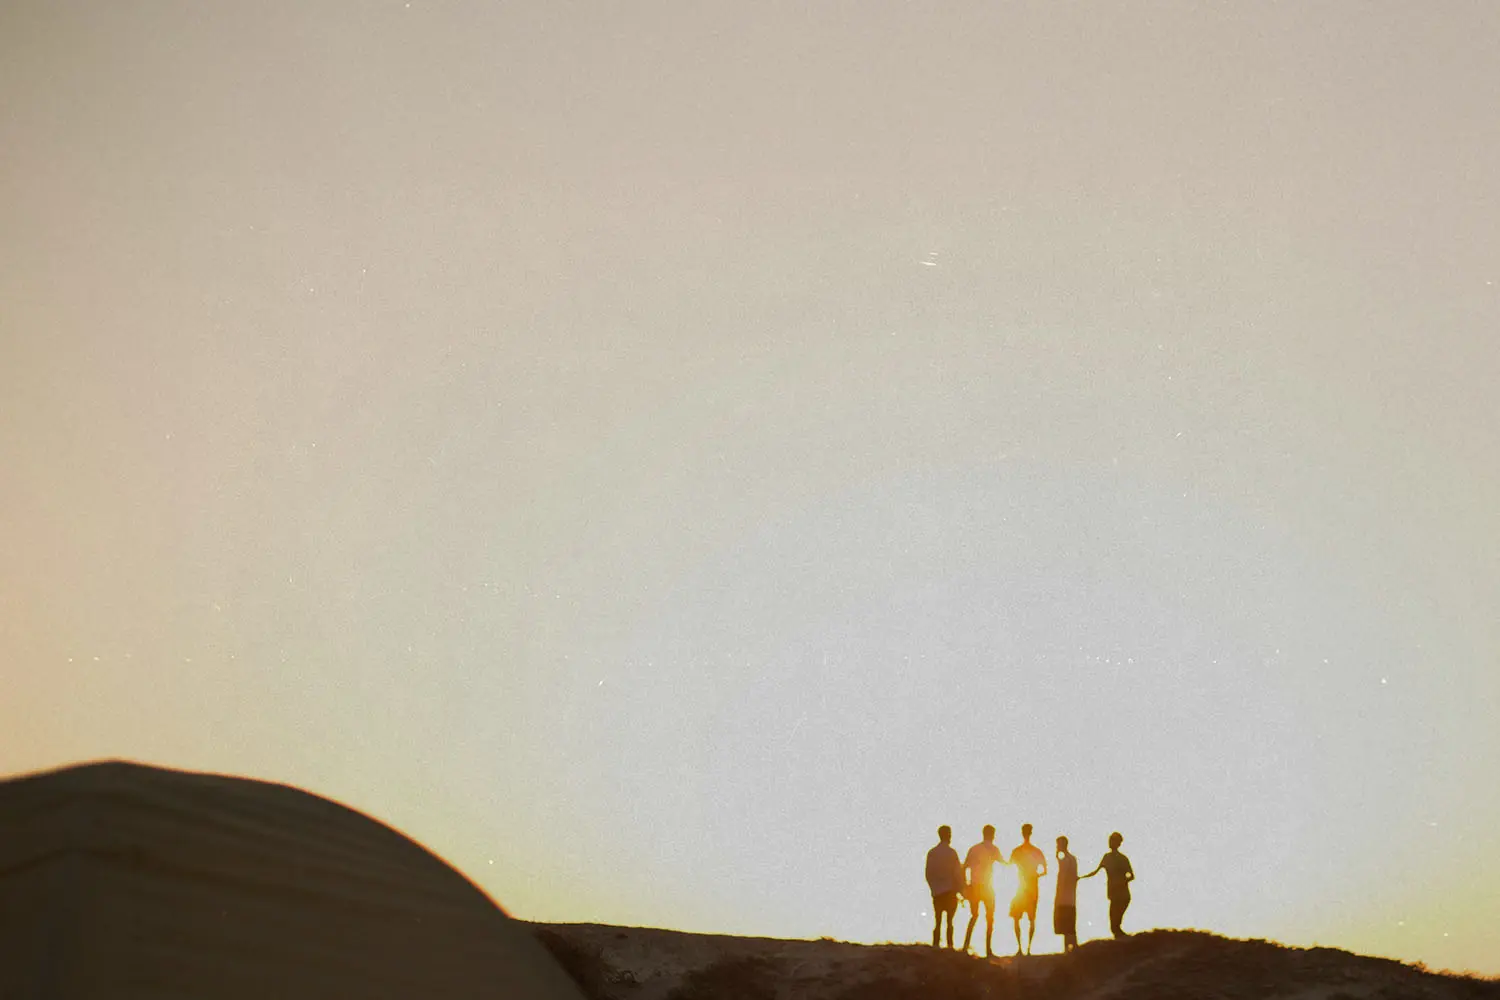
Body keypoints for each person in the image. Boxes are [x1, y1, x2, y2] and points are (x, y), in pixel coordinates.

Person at [961, 825, 1007, 958]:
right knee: (990, 918)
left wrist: (966, 884)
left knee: (974, 916)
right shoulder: (993, 849)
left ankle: (965, 946)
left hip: (975, 886)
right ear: (993, 835)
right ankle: (988, 949)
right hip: (987, 887)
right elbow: (1004, 863)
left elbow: (964, 867)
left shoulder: (974, 848)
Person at [1080, 831, 1135, 938]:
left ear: (1118, 843)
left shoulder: (1122, 858)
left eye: (1112, 841)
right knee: (1114, 925)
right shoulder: (1107, 857)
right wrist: (1080, 878)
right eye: (1109, 840)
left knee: (1115, 924)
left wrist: (1121, 882)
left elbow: (1131, 875)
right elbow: (1095, 871)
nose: (1110, 842)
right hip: (1113, 894)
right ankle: (1121, 942)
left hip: (1123, 895)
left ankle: (1123, 943)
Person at [1007, 824, 1048, 955]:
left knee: (1018, 918)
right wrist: (1035, 875)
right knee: (1030, 918)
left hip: (1021, 886)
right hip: (1030, 886)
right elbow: (1045, 870)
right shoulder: (1036, 851)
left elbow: (1008, 865)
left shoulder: (1017, 851)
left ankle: (1021, 948)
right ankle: (1027, 948)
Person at [924, 826, 965, 949]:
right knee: (950, 922)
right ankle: (950, 946)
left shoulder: (932, 853)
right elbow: (958, 873)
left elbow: (928, 873)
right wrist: (961, 890)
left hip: (937, 891)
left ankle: (936, 945)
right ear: (948, 836)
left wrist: (932, 888)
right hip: (950, 891)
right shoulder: (952, 853)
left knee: (938, 920)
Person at [1053, 835, 1080, 952]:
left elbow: (1063, 879)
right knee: (1068, 926)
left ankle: (1070, 949)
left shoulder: (1067, 860)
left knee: (1067, 926)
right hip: (1068, 898)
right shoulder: (1069, 859)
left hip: (1065, 898)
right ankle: (1069, 949)